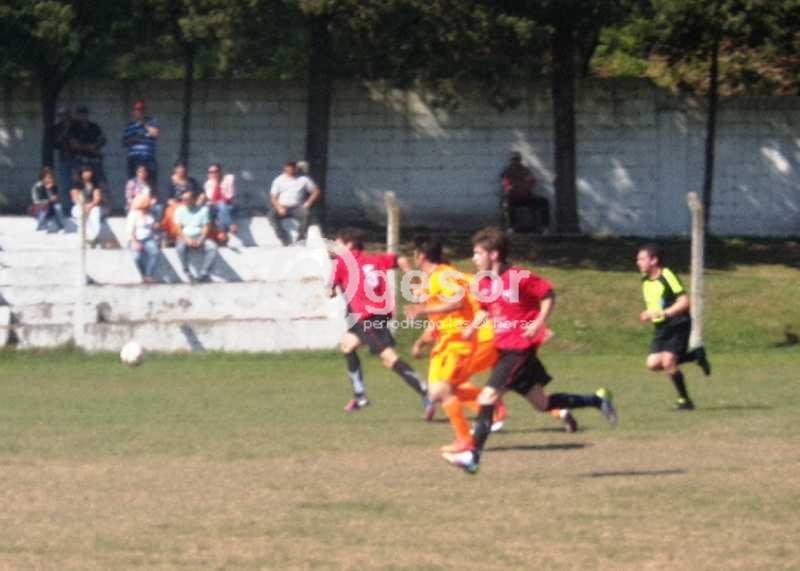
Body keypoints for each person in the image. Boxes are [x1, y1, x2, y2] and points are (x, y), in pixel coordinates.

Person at [443, 227, 618, 474]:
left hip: (519, 349)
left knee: (487, 398)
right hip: (504, 350)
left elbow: (548, 294)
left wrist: (538, 323)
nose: (474, 259)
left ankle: (473, 456)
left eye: (478, 253)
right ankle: (598, 400)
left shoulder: (519, 276)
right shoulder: (484, 282)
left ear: (494, 254)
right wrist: (472, 327)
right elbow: (484, 309)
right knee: (542, 404)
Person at [403, 235, 509, 452]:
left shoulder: (443, 276)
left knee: (443, 390)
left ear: (420, 255)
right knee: (435, 393)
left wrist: (422, 309)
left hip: (458, 341)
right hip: (444, 342)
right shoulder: (434, 277)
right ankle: (485, 403)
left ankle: (466, 438)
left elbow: (457, 301)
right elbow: (427, 297)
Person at [329, 228, 432, 415]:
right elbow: (399, 259)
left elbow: (330, 290)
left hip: (366, 317)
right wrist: (411, 277)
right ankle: (360, 396)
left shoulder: (342, 262)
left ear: (349, 244)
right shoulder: (374, 259)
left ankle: (425, 391)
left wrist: (333, 288)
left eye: (338, 243)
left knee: (388, 358)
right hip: (377, 314)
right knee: (347, 344)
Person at [636, 243, 711, 410]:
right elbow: (656, 304)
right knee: (653, 363)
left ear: (654, 260)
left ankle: (685, 400)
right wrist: (648, 313)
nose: (638, 262)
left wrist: (665, 313)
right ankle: (695, 355)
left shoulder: (667, 275)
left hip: (678, 323)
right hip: (661, 328)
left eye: (641, 259)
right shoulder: (645, 280)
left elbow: (684, 301)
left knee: (668, 360)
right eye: (638, 259)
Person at [268, 160, 321, 246]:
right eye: (288, 168)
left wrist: (308, 203)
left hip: (297, 207)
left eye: (292, 168)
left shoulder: (303, 179)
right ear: (285, 168)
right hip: (282, 207)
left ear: (296, 169)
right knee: (271, 216)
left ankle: (300, 239)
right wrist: (279, 207)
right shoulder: (278, 180)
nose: (290, 170)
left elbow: (316, 191)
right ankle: (284, 239)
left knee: (306, 215)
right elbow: (273, 197)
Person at [174, 189, 217, 283]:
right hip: (184, 236)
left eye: (187, 199)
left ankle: (204, 272)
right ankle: (186, 271)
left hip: (200, 236)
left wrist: (201, 239)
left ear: (194, 199)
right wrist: (186, 239)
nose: (185, 201)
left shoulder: (203, 210)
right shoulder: (179, 210)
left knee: (212, 247)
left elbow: (206, 226)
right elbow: (178, 228)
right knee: (180, 248)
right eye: (183, 199)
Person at [501, 152, 550, 234]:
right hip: (514, 198)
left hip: (526, 197)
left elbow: (532, 181)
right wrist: (511, 188)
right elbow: (507, 185)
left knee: (544, 202)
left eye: (517, 159)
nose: (516, 162)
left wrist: (526, 184)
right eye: (514, 160)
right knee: (507, 204)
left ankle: (544, 227)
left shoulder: (525, 170)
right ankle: (511, 227)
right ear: (511, 161)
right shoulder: (508, 172)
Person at [122, 99, 160, 186]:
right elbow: (124, 142)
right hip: (134, 158)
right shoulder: (130, 125)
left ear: (145, 111)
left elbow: (155, 134)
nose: (140, 112)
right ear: (134, 112)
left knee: (150, 183)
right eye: (137, 110)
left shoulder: (152, 122)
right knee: (133, 183)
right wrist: (136, 138)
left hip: (148, 158)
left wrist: (144, 124)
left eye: (142, 109)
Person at [163, 161, 200, 245]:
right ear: (175, 169)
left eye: (183, 167)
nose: (182, 170)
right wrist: (179, 205)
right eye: (179, 168)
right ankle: (173, 237)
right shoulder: (170, 181)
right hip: (176, 205)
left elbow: (200, 193)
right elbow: (169, 199)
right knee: (171, 213)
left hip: (191, 204)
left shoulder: (191, 181)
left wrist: (200, 199)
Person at [66, 105, 106, 184]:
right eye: (80, 114)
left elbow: (102, 140)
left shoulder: (94, 126)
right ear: (77, 115)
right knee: (79, 184)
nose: (82, 116)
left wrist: (95, 146)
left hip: (94, 159)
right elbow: (73, 144)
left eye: (84, 113)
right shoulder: (73, 128)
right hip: (79, 159)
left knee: (100, 183)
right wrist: (90, 147)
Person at [127, 194, 161, 283]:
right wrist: (135, 242)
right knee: (136, 257)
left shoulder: (151, 214)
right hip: (135, 239)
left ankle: (148, 275)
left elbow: (153, 227)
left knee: (155, 253)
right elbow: (130, 230)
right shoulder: (133, 214)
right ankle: (143, 274)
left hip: (148, 239)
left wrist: (155, 227)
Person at [70, 165, 106, 246]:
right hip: (79, 205)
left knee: (95, 214)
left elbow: (97, 198)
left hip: (92, 205)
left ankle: (92, 237)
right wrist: (83, 206)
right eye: (85, 171)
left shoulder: (95, 184)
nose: (87, 173)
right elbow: (75, 198)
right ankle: (83, 236)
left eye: (89, 171)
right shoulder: (76, 184)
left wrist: (90, 206)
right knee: (80, 213)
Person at [203, 163, 238, 239]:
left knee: (222, 206)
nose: (214, 174)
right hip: (214, 208)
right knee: (212, 208)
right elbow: (211, 199)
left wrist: (219, 185)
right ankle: (230, 225)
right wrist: (215, 184)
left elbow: (229, 198)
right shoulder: (208, 184)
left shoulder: (229, 179)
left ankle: (222, 232)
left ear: (220, 172)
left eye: (216, 171)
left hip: (228, 206)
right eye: (211, 172)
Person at [30, 166, 66, 232]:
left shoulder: (53, 186)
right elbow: (37, 201)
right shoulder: (38, 186)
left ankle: (61, 227)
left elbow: (56, 199)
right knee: (44, 209)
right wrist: (49, 199)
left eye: (52, 177)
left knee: (58, 207)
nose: (50, 179)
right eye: (49, 178)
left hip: (50, 207)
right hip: (39, 208)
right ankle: (40, 226)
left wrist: (52, 192)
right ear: (43, 178)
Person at [53, 106, 74, 211]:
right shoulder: (57, 128)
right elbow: (55, 144)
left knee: (75, 185)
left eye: (66, 115)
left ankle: (75, 207)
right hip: (63, 158)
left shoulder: (75, 126)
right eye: (62, 115)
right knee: (65, 185)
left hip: (76, 159)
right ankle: (67, 208)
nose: (64, 117)